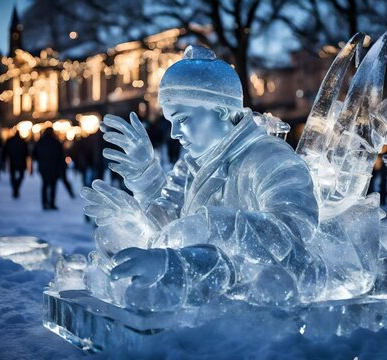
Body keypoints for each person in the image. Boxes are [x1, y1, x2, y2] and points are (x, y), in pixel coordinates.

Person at [82, 46, 370, 311]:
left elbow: (293, 237)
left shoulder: (271, 159)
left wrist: (208, 227)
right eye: (170, 122)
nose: (174, 134)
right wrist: (144, 186)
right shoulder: (192, 164)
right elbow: (171, 226)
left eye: (182, 119)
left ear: (219, 111)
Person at [33, 127, 64, 210]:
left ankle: (44, 203)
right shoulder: (56, 142)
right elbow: (61, 156)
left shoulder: (40, 142)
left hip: (43, 167)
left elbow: (34, 155)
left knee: (44, 185)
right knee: (53, 186)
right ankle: (52, 203)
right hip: (54, 167)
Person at [2, 130, 29, 198]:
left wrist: (4, 159)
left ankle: (15, 189)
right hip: (21, 162)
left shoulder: (10, 140)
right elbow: (27, 153)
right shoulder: (23, 141)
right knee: (21, 176)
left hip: (12, 161)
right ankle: (16, 188)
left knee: (13, 177)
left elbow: (5, 151)